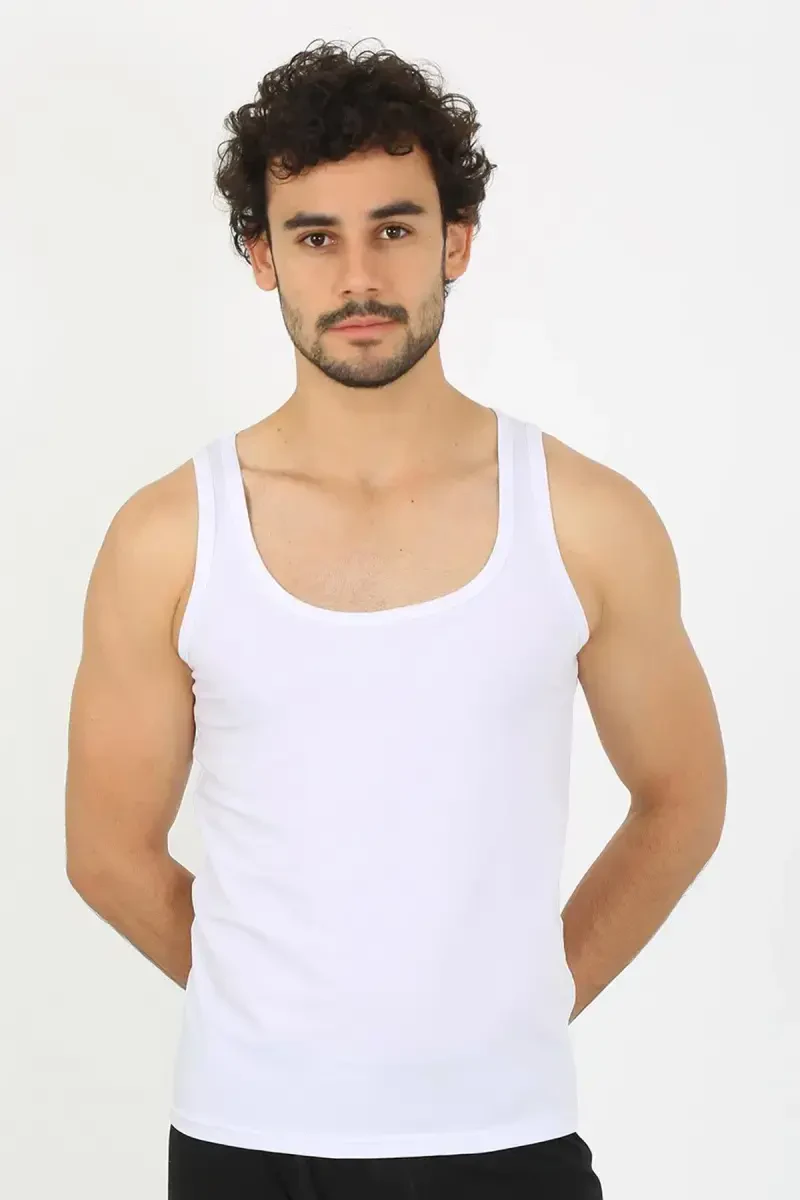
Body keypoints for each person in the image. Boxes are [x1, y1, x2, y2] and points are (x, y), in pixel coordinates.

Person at [64, 38, 727, 1200]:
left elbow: (681, 797)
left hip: (507, 1139)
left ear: (454, 242)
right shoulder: (168, 538)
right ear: (261, 255)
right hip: (245, 1145)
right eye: (315, 236)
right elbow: (106, 855)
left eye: (394, 227)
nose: (358, 276)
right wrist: (281, 1029)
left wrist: (527, 1002)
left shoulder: (586, 521)